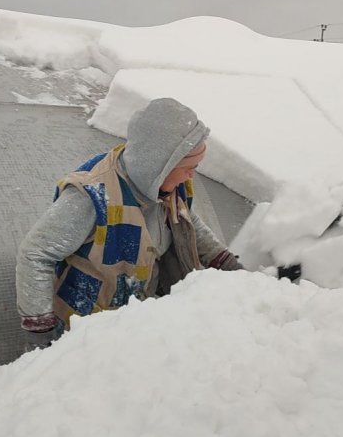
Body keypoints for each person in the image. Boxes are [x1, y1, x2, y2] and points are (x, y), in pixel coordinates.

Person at [15, 98, 243, 349]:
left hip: (126, 331)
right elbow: (36, 253)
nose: (191, 175)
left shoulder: (167, 189)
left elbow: (186, 220)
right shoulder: (93, 195)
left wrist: (228, 264)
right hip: (78, 337)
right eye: (188, 167)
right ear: (160, 164)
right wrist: (41, 332)